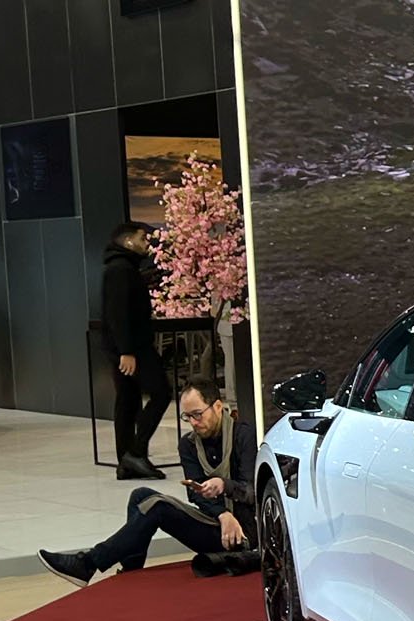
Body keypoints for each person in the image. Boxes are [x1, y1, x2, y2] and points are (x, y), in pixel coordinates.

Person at [38, 377, 259, 586]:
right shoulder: (189, 444)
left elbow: (251, 490)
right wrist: (222, 514)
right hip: (217, 521)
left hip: (242, 533)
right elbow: (195, 493)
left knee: (158, 507)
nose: (193, 422)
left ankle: (88, 563)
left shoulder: (244, 435)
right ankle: (131, 571)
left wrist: (224, 485)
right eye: (187, 417)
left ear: (218, 407)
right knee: (140, 496)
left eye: (198, 414)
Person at [102, 221, 169, 480]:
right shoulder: (121, 270)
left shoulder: (119, 267)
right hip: (134, 348)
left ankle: (126, 461)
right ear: (129, 241)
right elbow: (118, 312)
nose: (146, 244)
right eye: (142, 239)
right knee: (161, 393)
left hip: (125, 347)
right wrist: (127, 350)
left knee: (128, 400)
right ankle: (136, 453)